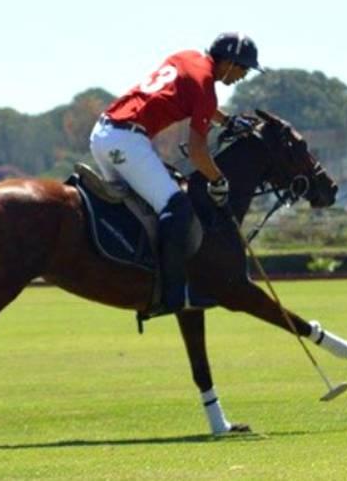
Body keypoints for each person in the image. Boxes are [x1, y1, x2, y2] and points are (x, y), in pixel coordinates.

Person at [88, 32, 263, 313]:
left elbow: (197, 99)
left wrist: (226, 120)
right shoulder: (207, 86)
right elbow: (197, 152)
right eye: (243, 68)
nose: (243, 76)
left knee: (141, 210)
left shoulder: (187, 57)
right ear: (229, 63)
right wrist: (218, 179)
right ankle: (174, 295)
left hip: (103, 134)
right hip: (127, 140)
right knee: (177, 207)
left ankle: (138, 277)